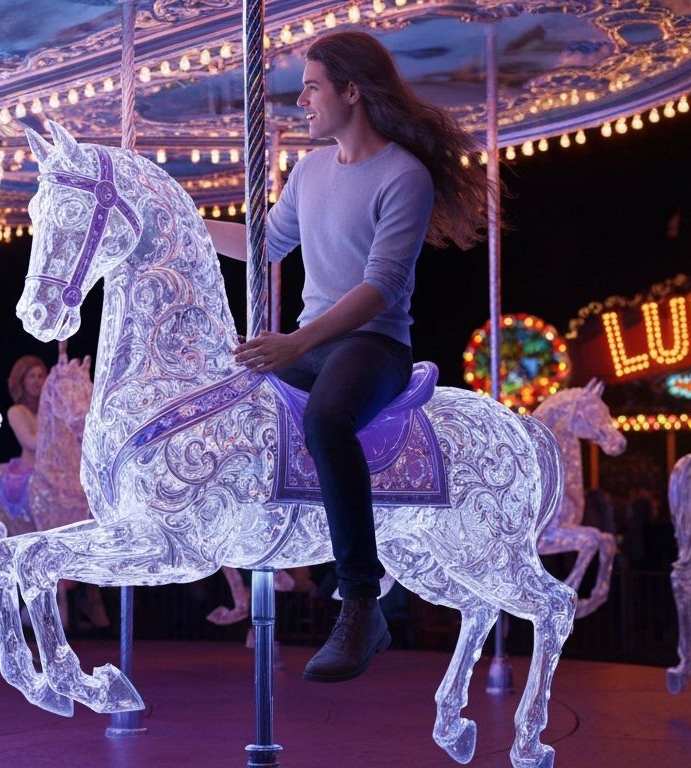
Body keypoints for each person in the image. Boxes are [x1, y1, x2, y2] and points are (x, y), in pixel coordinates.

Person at [205, 30, 488, 682]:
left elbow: (379, 288)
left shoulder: (402, 176)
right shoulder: (308, 171)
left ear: (351, 91)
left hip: (374, 344)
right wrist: (173, 220)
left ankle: (361, 602)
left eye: (312, 86)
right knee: (224, 399)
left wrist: (295, 343)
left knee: (328, 418)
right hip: (311, 341)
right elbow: (267, 244)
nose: (301, 100)